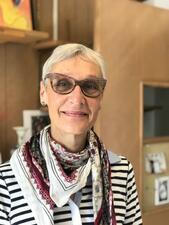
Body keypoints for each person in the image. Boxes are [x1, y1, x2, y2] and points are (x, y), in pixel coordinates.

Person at [0, 43, 142, 225]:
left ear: (100, 98)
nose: (77, 99)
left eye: (90, 86)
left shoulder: (122, 172)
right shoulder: (6, 180)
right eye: (63, 83)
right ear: (43, 93)